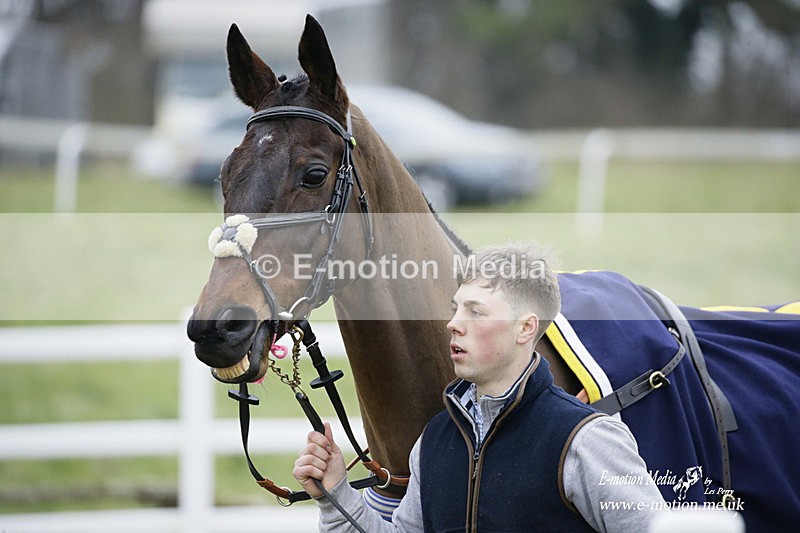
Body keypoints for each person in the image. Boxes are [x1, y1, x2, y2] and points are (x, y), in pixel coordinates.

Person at [293, 243, 665, 531]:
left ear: (525, 327)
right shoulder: (434, 440)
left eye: (475, 311)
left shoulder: (587, 440)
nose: (453, 324)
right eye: (456, 309)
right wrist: (336, 494)